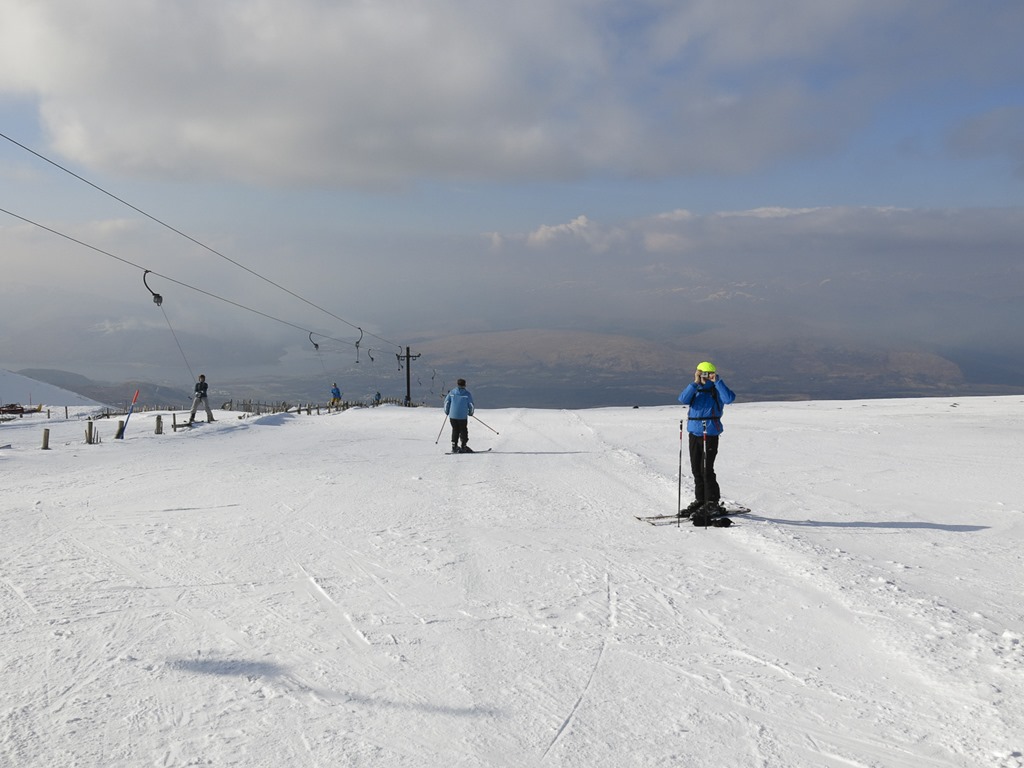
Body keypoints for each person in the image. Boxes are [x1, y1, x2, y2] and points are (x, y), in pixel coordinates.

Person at [678, 362, 735, 519]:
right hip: (694, 433)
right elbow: (683, 399)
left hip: (709, 433)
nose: (705, 376)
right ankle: (701, 499)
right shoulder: (695, 389)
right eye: (702, 373)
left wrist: (717, 381)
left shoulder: (717, 390)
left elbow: (729, 399)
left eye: (707, 373)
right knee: (696, 469)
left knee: (706, 469)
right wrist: (695, 382)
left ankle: (712, 502)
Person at [443, 378, 475, 453]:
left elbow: (446, 402)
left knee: (455, 430)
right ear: (465, 385)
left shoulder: (452, 392)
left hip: (452, 416)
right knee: (463, 430)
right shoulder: (467, 394)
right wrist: (470, 413)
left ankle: (454, 446)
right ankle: (464, 446)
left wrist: (447, 411)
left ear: (457, 384)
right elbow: (471, 405)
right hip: (462, 417)